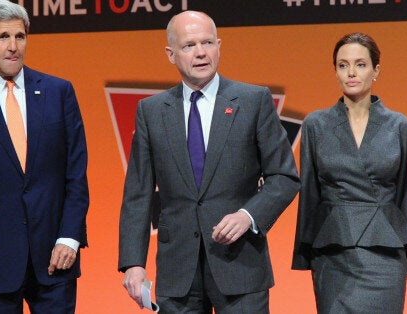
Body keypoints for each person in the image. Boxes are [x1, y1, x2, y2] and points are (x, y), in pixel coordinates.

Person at [118, 10, 300, 313]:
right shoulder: (151, 112)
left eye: (208, 43)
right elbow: (138, 194)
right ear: (171, 54)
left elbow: (284, 177)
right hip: (178, 273)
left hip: (240, 266)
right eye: (189, 45)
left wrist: (247, 216)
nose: (201, 52)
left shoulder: (253, 100)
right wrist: (133, 264)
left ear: (219, 45)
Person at [0, 0, 89, 312]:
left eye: (20, 37)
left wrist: (69, 238)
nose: (13, 47)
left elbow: (76, 174)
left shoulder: (59, 92)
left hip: (55, 257)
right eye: (3, 37)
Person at [292, 32, 407, 313]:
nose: (351, 72)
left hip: (384, 250)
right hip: (332, 250)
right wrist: (304, 253)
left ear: (376, 71)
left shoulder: (400, 126)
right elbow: (309, 193)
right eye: (342, 65)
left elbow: (406, 194)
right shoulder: (317, 124)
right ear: (335, 71)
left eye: (360, 64)